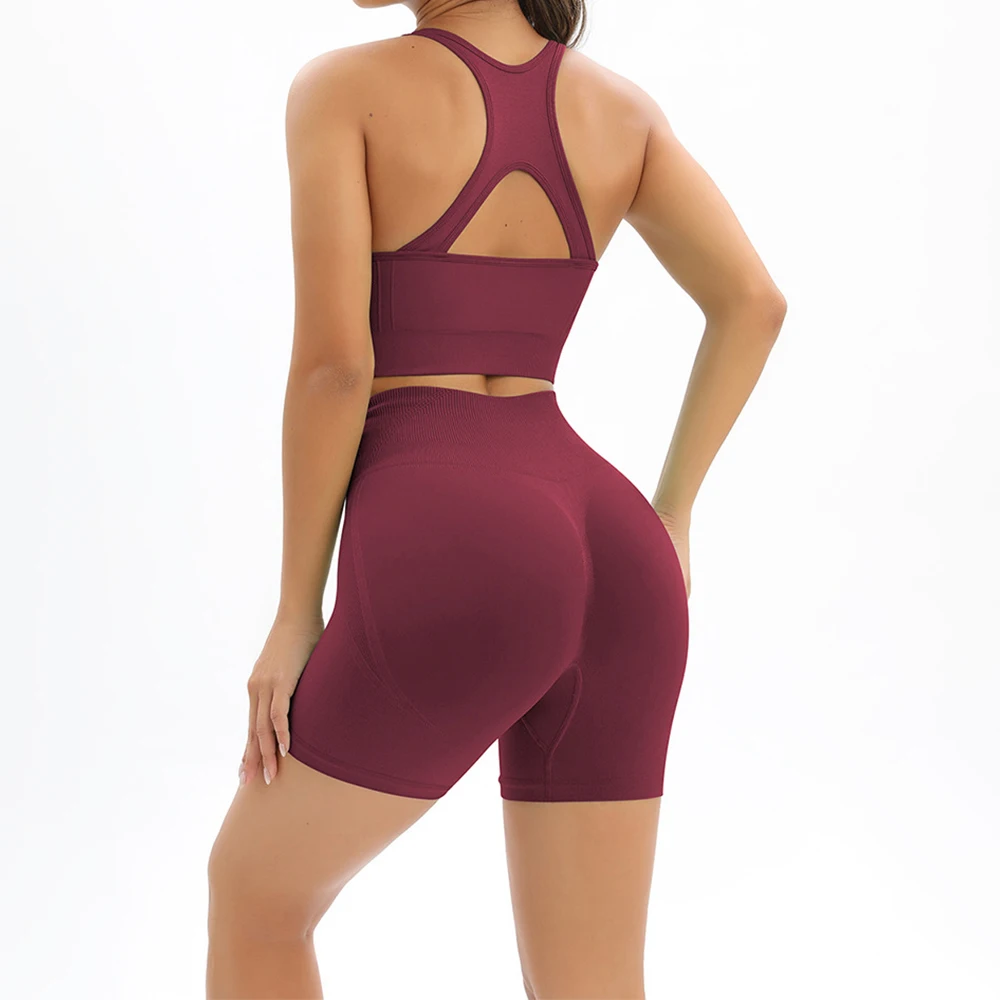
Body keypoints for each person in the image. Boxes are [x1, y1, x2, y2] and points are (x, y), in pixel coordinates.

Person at [206, 0, 786, 996]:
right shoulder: (620, 111)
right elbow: (753, 302)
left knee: (255, 898)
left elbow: (338, 369)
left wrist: (296, 610)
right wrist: (673, 510)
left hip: (457, 531)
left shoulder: (343, 90)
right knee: (594, 980)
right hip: (617, 545)